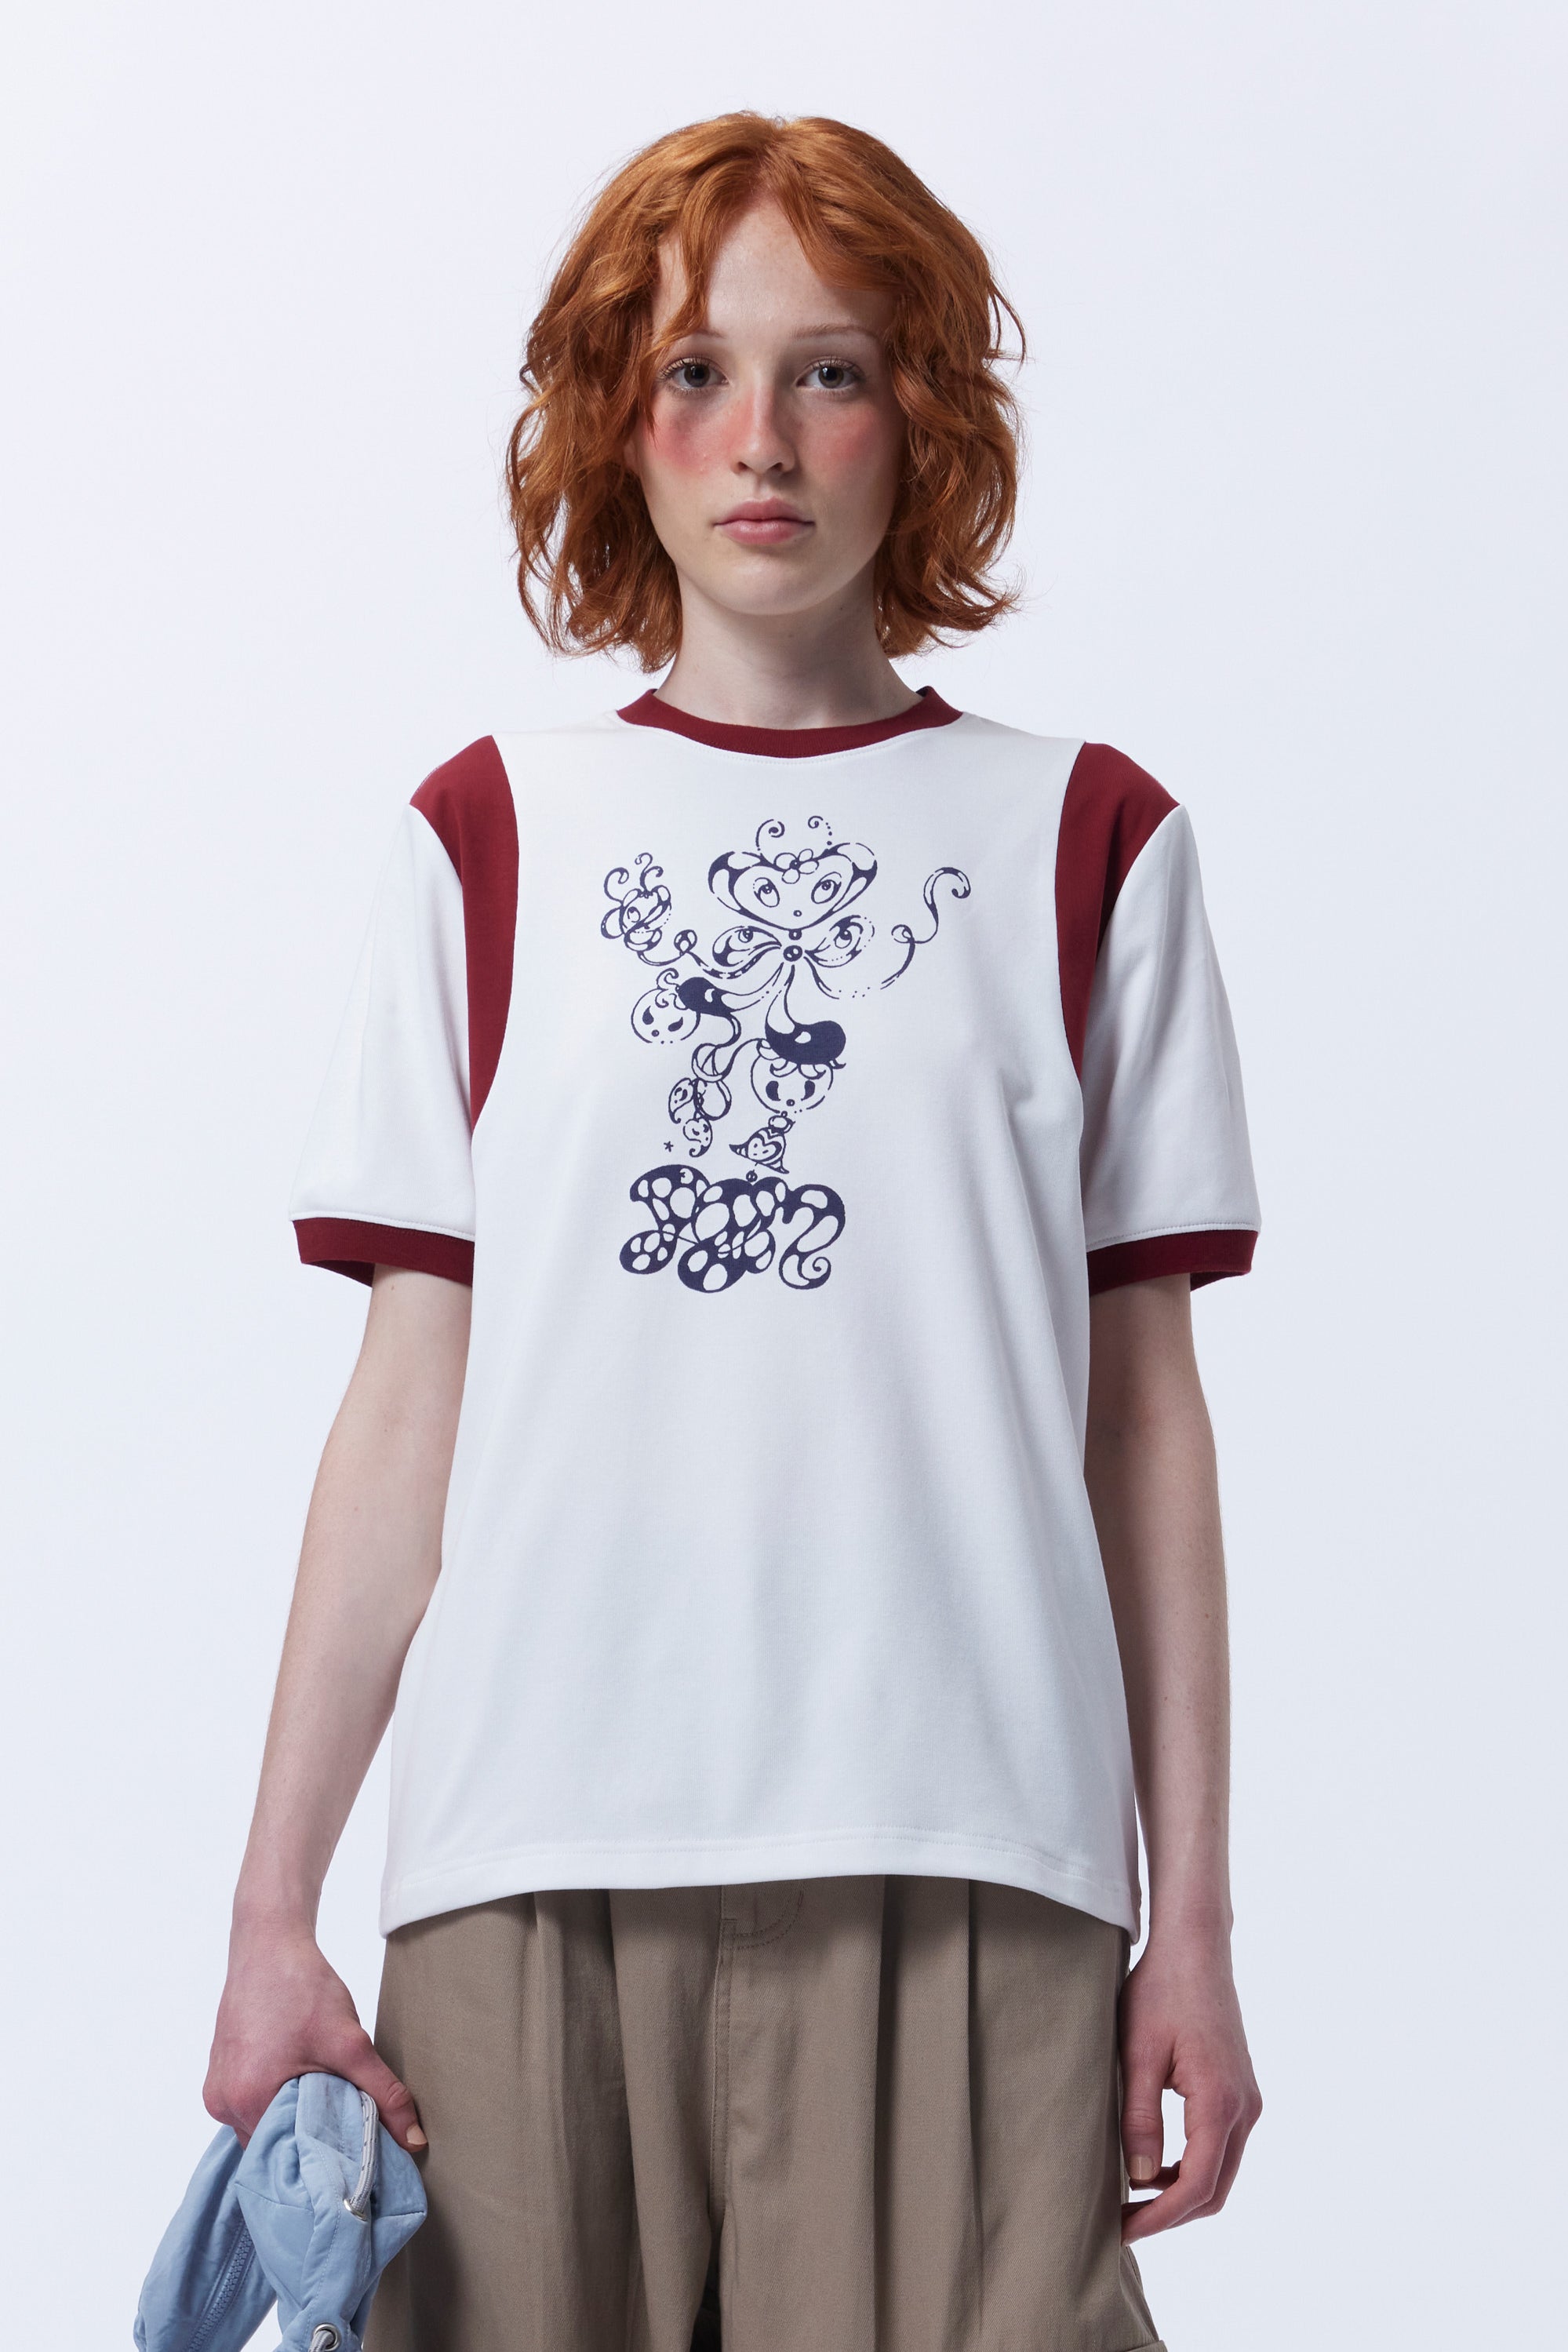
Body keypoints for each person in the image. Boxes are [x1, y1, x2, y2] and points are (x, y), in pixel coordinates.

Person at [203, 111, 1264, 2352]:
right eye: (693, 371)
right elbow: (407, 1404)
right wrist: (270, 1908)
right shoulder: (486, 838)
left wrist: (1198, 1922)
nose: (759, 438)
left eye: (830, 371)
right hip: (529, 1860)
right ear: (617, 417)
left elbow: (1147, 1426)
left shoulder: (1090, 841)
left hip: (970, 1852)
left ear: (923, 421)